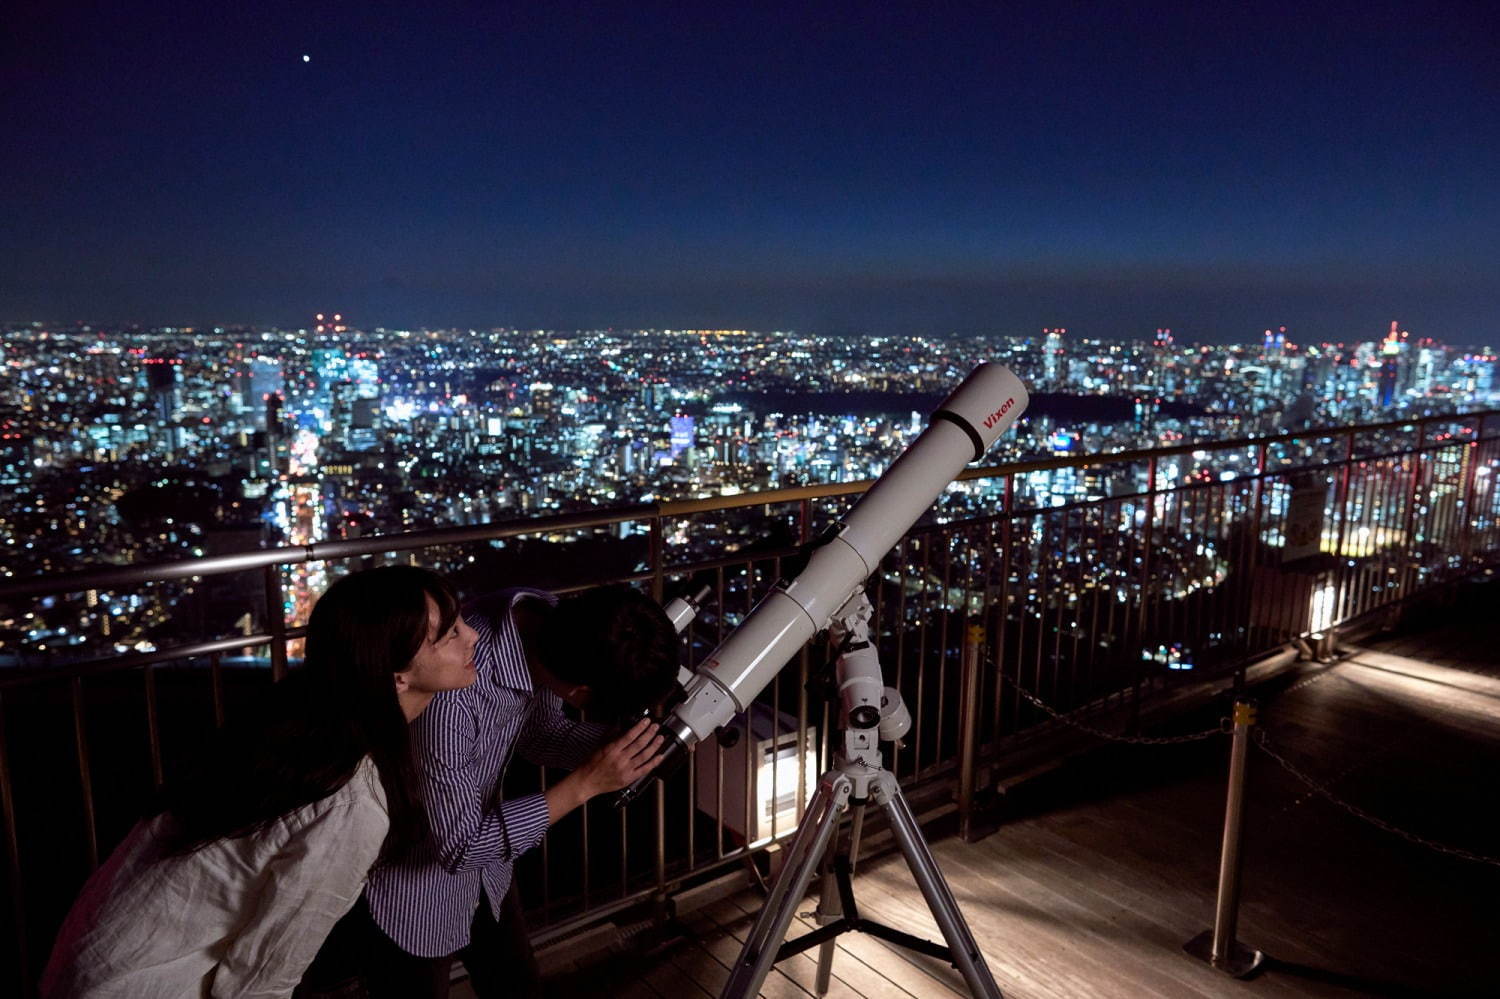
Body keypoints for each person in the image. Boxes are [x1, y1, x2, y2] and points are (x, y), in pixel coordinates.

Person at [40, 565, 478, 999]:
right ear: (396, 673)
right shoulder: (350, 801)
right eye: (451, 633)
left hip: (92, 967)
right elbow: (261, 981)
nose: (473, 637)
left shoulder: (290, 726)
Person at [326, 582, 679, 999]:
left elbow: (540, 734)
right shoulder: (452, 698)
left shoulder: (549, 623)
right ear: (579, 694)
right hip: (412, 883)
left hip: (488, 867)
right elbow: (458, 845)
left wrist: (615, 750)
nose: (468, 635)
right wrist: (584, 785)